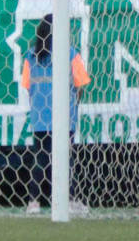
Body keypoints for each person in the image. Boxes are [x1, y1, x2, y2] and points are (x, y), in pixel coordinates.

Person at [17, 14, 92, 215]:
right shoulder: (70, 54)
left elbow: (26, 85)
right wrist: (72, 104)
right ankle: (70, 200)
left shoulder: (31, 56)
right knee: (65, 159)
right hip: (63, 116)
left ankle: (33, 202)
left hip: (40, 116)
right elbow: (80, 84)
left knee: (40, 159)